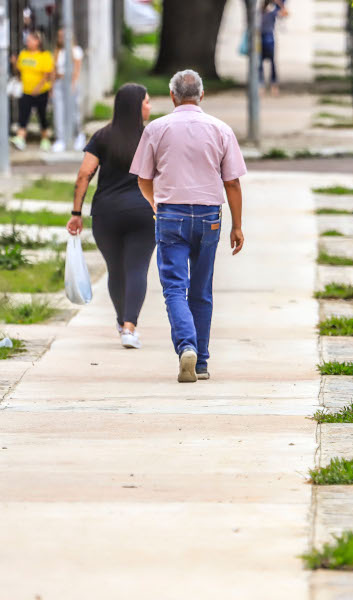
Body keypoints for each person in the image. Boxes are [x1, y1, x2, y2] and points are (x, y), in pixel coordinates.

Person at [130, 70, 247, 383]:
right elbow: (232, 182)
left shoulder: (157, 129)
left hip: (170, 214)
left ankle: (187, 347)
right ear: (202, 95)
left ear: (172, 96)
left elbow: (143, 178)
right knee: (201, 288)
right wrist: (237, 225)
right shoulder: (221, 129)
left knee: (173, 288)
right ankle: (202, 361)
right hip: (209, 216)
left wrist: (157, 205)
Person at [67, 84, 155, 350]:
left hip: (107, 213)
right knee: (137, 268)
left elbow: (84, 174)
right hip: (143, 212)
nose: (150, 107)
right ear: (137, 106)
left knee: (116, 270)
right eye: (147, 102)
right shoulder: (151, 136)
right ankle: (130, 327)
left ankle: (121, 322)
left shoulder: (102, 136)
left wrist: (76, 213)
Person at [11, 31, 54, 152]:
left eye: (30, 40)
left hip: (41, 91)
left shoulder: (44, 55)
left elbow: (47, 74)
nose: (27, 42)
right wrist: (14, 63)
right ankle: (20, 138)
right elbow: (18, 71)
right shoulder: (23, 54)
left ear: (38, 42)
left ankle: (45, 139)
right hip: (26, 90)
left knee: (42, 115)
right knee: (23, 115)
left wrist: (38, 88)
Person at [52, 29, 86, 152]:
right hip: (59, 82)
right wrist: (52, 86)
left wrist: (72, 84)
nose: (61, 38)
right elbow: (54, 70)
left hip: (71, 82)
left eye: (63, 36)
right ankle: (60, 139)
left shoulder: (76, 51)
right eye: (59, 36)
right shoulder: (57, 51)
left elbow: (76, 69)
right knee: (59, 111)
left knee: (74, 111)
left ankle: (78, 136)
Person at [260, 0, 287, 95]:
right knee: (259, 64)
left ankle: (274, 85)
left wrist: (279, 3)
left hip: (269, 39)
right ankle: (261, 85)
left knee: (272, 63)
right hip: (259, 39)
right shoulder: (258, 12)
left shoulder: (272, 12)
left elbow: (285, 13)